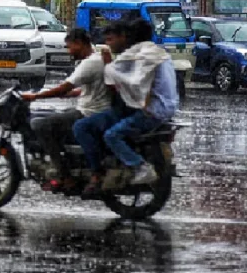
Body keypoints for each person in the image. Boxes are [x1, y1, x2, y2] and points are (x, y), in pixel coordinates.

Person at [74, 19, 179, 195]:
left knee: (108, 134)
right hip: (166, 108)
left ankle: (133, 168)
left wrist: (108, 66)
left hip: (152, 112)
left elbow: (132, 84)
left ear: (128, 37)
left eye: (112, 38)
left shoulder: (141, 56)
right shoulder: (159, 53)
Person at [21, 28, 111, 191]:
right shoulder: (96, 58)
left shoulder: (90, 63)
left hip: (88, 112)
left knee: (39, 124)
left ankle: (63, 174)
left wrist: (34, 97)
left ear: (80, 43)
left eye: (70, 47)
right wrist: (74, 93)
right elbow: (93, 87)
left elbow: (63, 88)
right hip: (94, 108)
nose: (69, 51)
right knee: (49, 116)